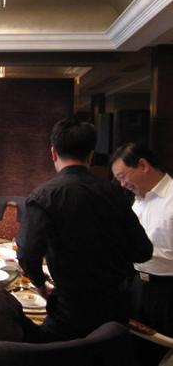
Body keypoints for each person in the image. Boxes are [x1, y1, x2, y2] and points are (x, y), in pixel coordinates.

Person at [17, 117, 153, 341]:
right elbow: (143, 251)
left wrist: (40, 285)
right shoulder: (116, 193)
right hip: (114, 312)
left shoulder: (44, 196)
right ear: (91, 155)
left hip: (69, 311)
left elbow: (27, 254)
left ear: (53, 153)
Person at [111, 143, 173, 362]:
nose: (122, 184)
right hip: (137, 285)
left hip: (166, 291)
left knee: (164, 352)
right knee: (135, 351)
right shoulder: (138, 201)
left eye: (123, 177)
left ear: (143, 165)